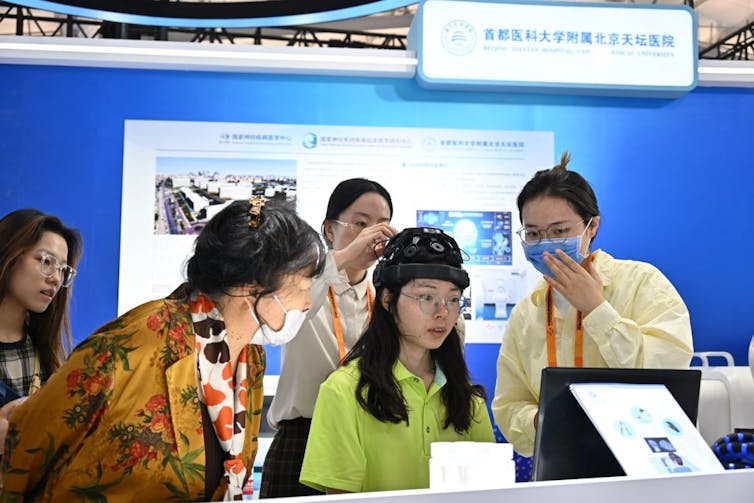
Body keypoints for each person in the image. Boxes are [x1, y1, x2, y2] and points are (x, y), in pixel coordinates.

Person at [1, 198, 326, 501]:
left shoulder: (249, 359)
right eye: (300, 287)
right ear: (250, 286)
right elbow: (24, 451)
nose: (308, 302)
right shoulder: (134, 343)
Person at [491, 152, 693, 458]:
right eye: (533, 233)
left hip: (643, 459)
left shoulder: (642, 283)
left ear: (592, 226)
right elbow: (509, 404)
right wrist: (544, 420)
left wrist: (598, 310)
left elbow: (668, 374)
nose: (546, 244)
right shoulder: (526, 311)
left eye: (559, 231)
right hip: (559, 463)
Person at [299, 227, 495, 493]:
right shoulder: (344, 391)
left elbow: (490, 493)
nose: (443, 313)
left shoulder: (466, 397)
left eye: (453, 299)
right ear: (388, 299)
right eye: (427, 297)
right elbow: (341, 498)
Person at [260, 178, 396, 498]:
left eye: (382, 226)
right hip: (301, 438)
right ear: (330, 230)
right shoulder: (304, 284)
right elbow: (281, 318)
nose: (371, 235)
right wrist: (346, 256)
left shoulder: (388, 299)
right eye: (360, 223)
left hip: (367, 435)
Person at [0, 209, 82, 398]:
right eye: (46, 261)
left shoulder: (47, 357)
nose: (56, 279)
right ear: (8, 254)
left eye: (62, 270)